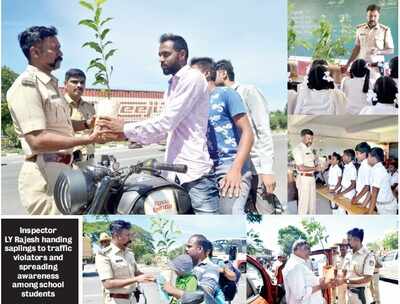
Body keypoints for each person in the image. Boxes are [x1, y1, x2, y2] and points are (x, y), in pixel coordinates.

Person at [97, 33, 219, 214]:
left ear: (182, 54)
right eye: (160, 55)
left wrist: (125, 127)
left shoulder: (192, 78)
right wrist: (123, 134)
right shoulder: (172, 86)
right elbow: (163, 133)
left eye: (166, 54)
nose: (161, 59)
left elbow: (166, 122)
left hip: (195, 176)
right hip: (173, 174)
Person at [6, 26, 103, 215]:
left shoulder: (50, 86)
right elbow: (37, 140)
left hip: (64, 169)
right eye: (55, 48)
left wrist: (85, 125)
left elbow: (62, 127)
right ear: (35, 52)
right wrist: (87, 139)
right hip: (45, 175)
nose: (61, 53)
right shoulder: (27, 86)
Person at [190, 57, 254, 214]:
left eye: (191, 74)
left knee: (229, 213)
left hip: (230, 165)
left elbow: (248, 132)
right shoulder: (194, 104)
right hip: (205, 169)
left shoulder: (226, 94)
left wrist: (235, 170)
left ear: (205, 73)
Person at [214, 59, 276, 198]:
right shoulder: (219, 98)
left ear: (223, 73)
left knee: (263, 208)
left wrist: (267, 170)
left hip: (256, 167)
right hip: (235, 167)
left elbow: (263, 129)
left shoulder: (247, 91)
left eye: (213, 74)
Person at [165, 234, 237, 304]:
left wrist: (171, 290)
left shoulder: (211, 269)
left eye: (189, 246)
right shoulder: (191, 266)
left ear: (200, 249)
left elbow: (202, 296)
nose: (186, 249)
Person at [95, 220, 155, 304]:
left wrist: (150, 278)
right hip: (116, 300)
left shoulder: (129, 253)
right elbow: (108, 283)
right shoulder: (104, 255)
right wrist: (136, 279)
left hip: (133, 299)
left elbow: (136, 272)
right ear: (116, 235)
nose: (130, 238)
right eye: (127, 235)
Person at [343, 4, 394, 81]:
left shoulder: (385, 30)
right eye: (370, 16)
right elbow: (356, 48)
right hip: (360, 69)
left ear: (378, 16)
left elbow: (391, 50)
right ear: (367, 16)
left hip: (376, 70)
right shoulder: (359, 29)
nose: (372, 18)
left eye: (375, 16)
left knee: (374, 91)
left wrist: (379, 51)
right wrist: (347, 64)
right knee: (359, 90)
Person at [282, 240, 334, 304]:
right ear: (297, 248)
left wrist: (319, 280)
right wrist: (321, 286)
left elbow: (307, 283)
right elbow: (300, 295)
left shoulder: (298, 264)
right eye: (307, 248)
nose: (310, 252)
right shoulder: (295, 266)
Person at [64, 68, 96, 168]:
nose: (79, 85)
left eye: (82, 82)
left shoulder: (89, 107)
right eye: (74, 82)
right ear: (65, 84)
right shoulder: (59, 105)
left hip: (89, 160)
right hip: (68, 162)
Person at [341, 228, 375, 304]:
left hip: (362, 297)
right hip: (349, 295)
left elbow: (367, 278)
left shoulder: (368, 255)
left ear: (356, 239)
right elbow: (344, 271)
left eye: (349, 240)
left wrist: (346, 281)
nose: (348, 242)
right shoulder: (349, 254)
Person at [292, 129, 320, 214]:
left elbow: (311, 163)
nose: (310, 140)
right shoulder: (298, 149)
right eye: (308, 138)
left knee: (312, 205)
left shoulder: (309, 149)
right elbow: (301, 167)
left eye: (311, 138)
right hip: (304, 178)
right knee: (303, 205)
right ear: (302, 137)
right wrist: (315, 169)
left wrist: (317, 164)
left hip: (311, 178)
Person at [364, 147, 397, 214]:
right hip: (381, 206)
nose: (367, 159)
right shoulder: (375, 169)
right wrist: (363, 206)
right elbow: (371, 191)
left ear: (373, 158)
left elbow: (374, 194)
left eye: (368, 157)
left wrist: (369, 214)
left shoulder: (378, 170)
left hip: (387, 208)